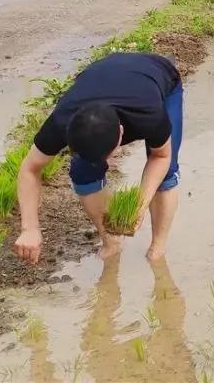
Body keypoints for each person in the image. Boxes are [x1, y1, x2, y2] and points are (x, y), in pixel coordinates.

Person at [13, 52, 183, 263]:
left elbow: (161, 156)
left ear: (121, 133)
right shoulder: (61, 121)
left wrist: (139, 205)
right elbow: (30, 169)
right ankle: (111, 242)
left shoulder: (149, 114)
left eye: (107, 156)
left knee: (166, 173)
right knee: (83, 172)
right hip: (102, 73)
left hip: (158, 76)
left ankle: (157, 248)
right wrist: (29, 228)